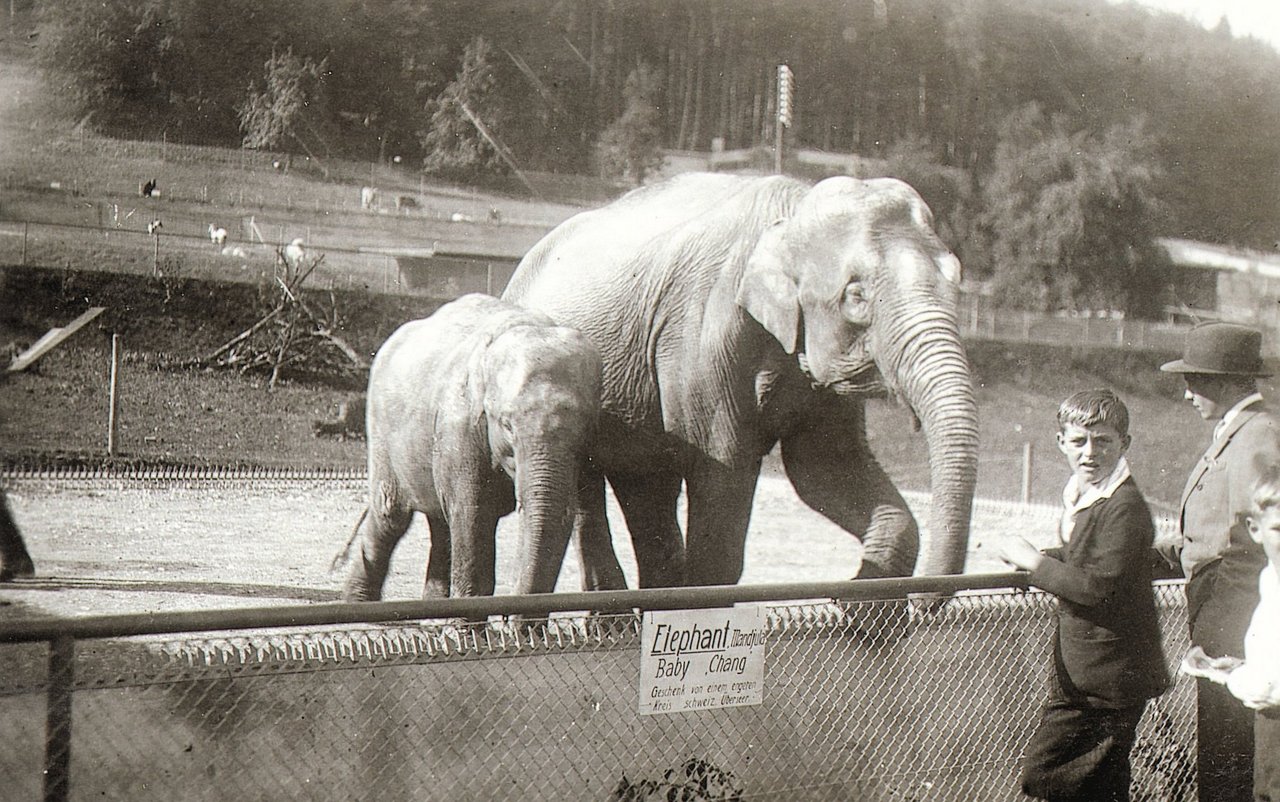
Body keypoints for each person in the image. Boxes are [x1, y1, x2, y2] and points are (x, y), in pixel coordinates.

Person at [1000, 388, 1169, 802]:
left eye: (1103, 441)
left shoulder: (1123, 506)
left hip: (1108, 680)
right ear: (1061, 443)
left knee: (1047, 774)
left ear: (1124, 444)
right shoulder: (1086, 495)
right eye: (1078, 441)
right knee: (1098, 785)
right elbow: (1088, 557)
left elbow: (1097, 586)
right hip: (1090, 672)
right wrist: (1049, 558)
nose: (1090, 452)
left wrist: (1034, 564)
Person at [1159, 321, 1278, 802]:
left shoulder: (1256, 436)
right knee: (1221, 739)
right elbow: (1207, 528)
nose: (1188, 394)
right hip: (1218, 597)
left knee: (1227, 746)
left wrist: (1219, 617)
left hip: (1231, 600)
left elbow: (1256, 537)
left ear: (1227, 382)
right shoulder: (1236, 433)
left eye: (1195, 381)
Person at [1185, 465, 1280, 801]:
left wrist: (1232, 677)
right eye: (1279, 529)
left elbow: (1269, 688)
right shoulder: (1270, 578)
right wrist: (1238, 667)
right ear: (1254, 529)